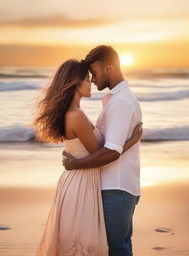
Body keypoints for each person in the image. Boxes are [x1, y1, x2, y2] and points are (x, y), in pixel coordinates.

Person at [33, 58, 142, 255]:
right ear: (74, 83)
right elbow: (103, 152)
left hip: (77, 180)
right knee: (81, 243)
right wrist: (133, 140)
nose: (90, 81)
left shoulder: (73, 113)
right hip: (81, 182)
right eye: (85, 78)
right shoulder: (76, 116)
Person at [62, 45, 143, 256]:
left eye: (94, 73)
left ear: (109, 69)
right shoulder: (118, 100)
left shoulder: (120, 102)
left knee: (116, 249)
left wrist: (76, 164)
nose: (93, 79)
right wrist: (133, 141)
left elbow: (112, 151)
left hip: (115, 187)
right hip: (119, 185)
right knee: (120, 247)